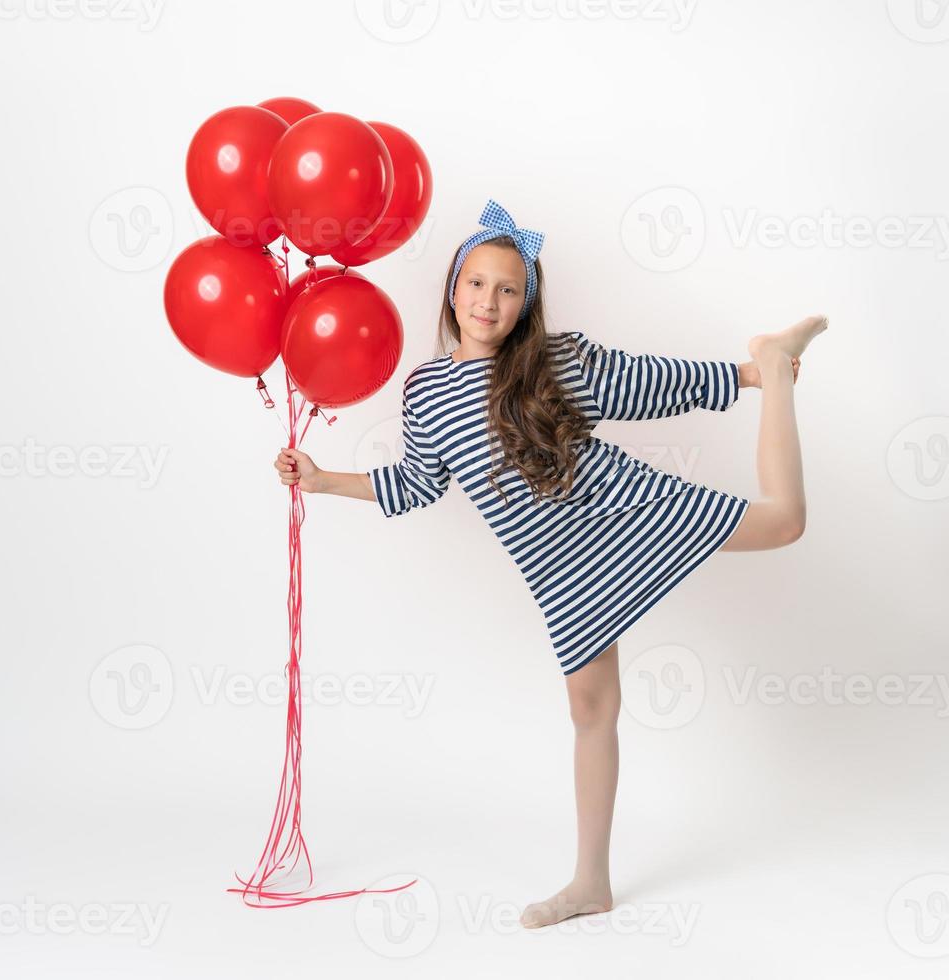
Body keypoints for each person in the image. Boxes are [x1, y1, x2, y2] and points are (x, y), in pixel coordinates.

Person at [273, 199, 827, 929]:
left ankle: (776, 371)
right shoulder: (426, 392)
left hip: (624, 508)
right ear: (452, 287)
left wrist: (749, 378)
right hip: (560, 573)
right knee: (591, 709)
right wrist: (321, 479)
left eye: (507, 289)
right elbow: (415, 484)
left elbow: (655, 385)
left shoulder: (551, 364)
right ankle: (590, 884)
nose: (488, 301)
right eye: (476, 284)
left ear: (524, 302)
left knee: (784, 522)